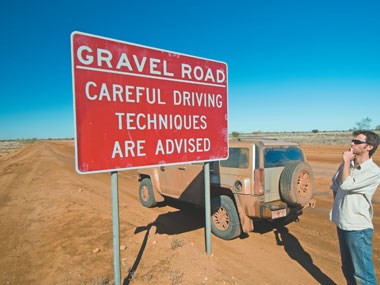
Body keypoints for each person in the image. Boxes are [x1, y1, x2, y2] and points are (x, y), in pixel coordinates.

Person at [330, 130, 380, 284]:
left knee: (363, 274)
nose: (352, 144)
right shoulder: (347, 165)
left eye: (357, 142)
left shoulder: (373, 171)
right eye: (353, 141)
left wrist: (345, 161)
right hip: (343, 223)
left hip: (358, 228)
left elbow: (345, 185)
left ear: (369, 147)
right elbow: (335, 186)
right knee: (348, 269)